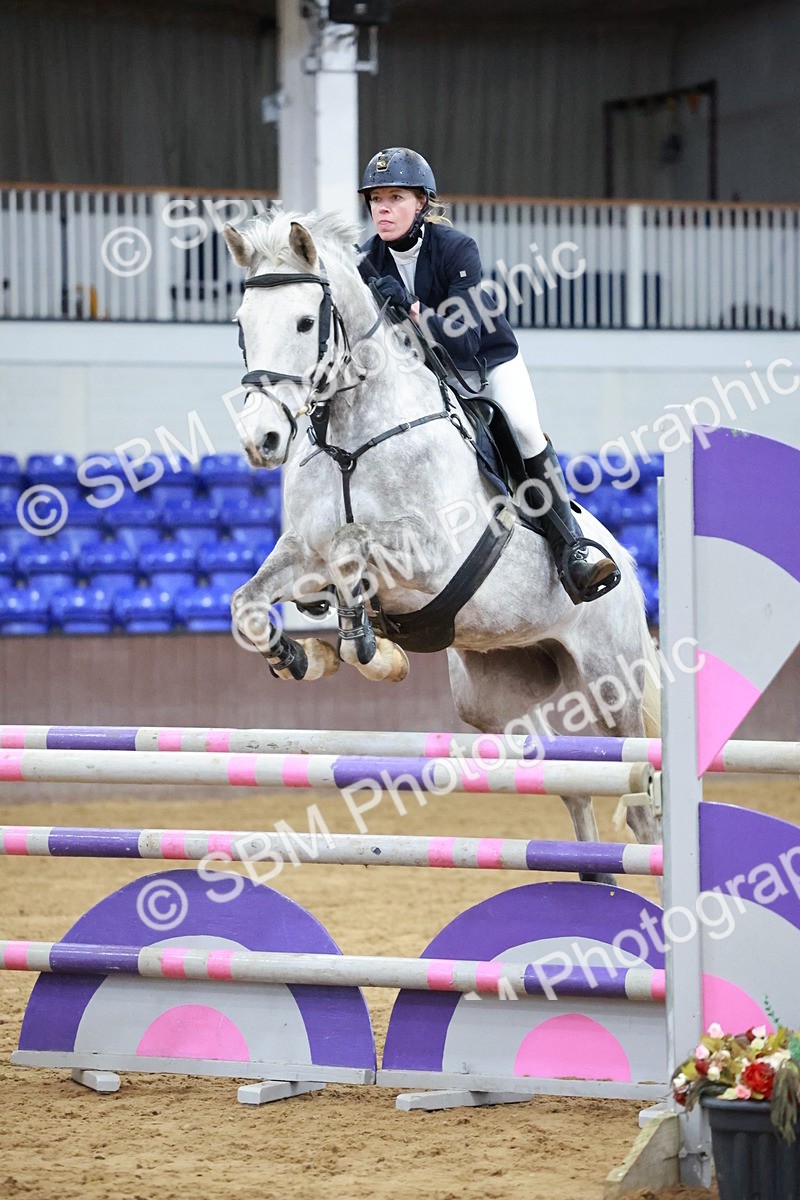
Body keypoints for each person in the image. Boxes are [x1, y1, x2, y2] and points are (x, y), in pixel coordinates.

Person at [357, 146, 620, 605]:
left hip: (486, 362)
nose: (383, 208)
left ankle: (571, 547)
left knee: (520, 426)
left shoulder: (457, 248)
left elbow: (462, 337)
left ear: (421, 203)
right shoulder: (366, 261)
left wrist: (414, 313)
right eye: (376, 198)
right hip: (422, 375)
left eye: (396, 197)